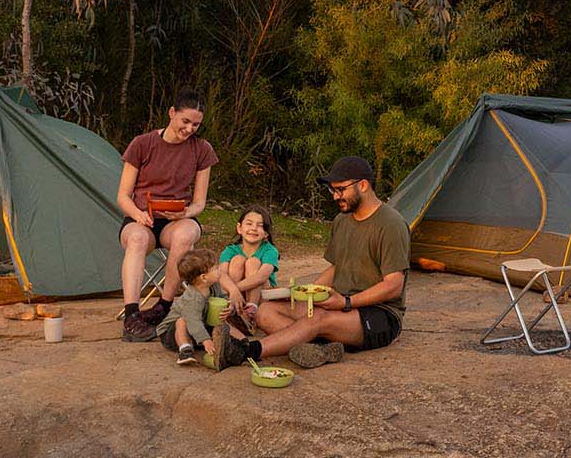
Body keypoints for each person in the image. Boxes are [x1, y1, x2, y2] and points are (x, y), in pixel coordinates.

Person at [212, 155, 409, 373]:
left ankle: (245, 351)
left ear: (363, 185)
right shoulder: (342, 220)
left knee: (317, 318)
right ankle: (322, 349)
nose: (335, 196)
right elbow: (337, 267)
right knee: (265, 311)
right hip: (341, 305)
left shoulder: (391, 224)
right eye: (332, 190)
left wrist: (346, 302)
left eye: (340, 189)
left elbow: (394, 285)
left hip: (379, 314)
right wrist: (302, 294)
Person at [118, 92, 217, 343]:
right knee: (138, 239)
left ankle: (165, 305)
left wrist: (185, 213)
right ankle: (132, 316)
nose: (189, 129)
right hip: (141, 218)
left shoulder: (202, 149)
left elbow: (200, 203)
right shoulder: (142, 144)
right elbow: (122, 196)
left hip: (177, 219)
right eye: (185, 121)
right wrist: (138, 215)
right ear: (172, 112)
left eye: (196, 125)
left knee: (185, 234)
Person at [207, 206, 281, 327]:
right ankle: (234, 309)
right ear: (239, 228)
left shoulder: (270, 250)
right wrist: (233, 291)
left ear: (266, 233)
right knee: (238, 260)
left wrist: (234, 290)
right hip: (234, 296)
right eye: (249, 223)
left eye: (260, 225)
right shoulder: (230, 250)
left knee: (253, 262)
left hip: (261, 296)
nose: (253, 228)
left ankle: (251, 311)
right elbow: (221, 274)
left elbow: (262, 277)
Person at [157, 249, 217, 367]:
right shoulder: (192, 298)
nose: (220, 270)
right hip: (170, 333)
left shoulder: (213, 286)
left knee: (222, 321)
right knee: (182, 321)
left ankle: (242, 344)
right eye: (216, 269)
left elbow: (223, 299)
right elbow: (193, 321)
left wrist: (229, 307)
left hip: (197, 327)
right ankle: (185, 349)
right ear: (204, 277)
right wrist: (206, 340)